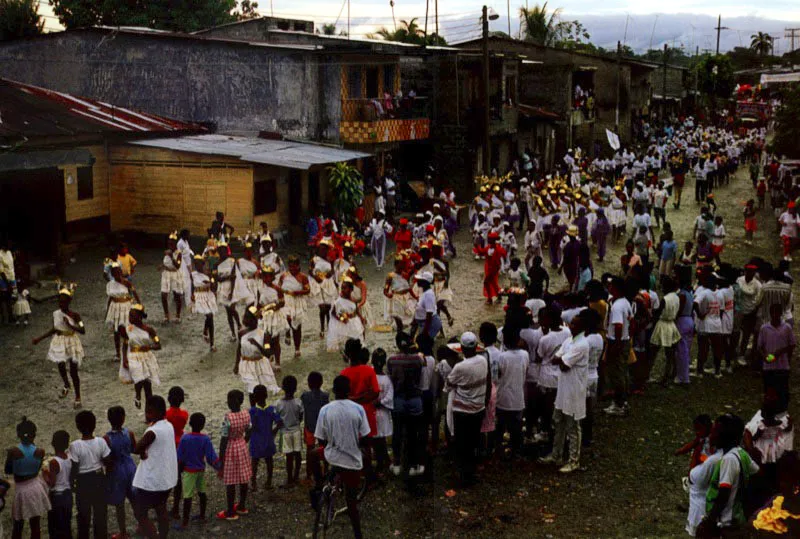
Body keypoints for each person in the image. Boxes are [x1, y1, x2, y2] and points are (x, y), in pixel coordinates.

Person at [309, 375, 371, 539]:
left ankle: (319, 483)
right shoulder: (358, 409)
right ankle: (358, 534)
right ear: (349, 390)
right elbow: (365, 437)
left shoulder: (326, 410)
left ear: (334, 391)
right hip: (352, 461)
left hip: (331, 456)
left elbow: (320, 438)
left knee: (312, 454)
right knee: (351, 502)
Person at [539, 309, 590, 473]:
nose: (571, 325)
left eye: (575, 324)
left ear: (582, 327)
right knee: (559, 423)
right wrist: (561, 359)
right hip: (563, 389)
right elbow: (556, 359)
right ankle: (556, 455)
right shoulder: (569, 340)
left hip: (574, 390)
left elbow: (563, 363)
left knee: (573, 427)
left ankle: (574, 460)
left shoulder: (582, 344)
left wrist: (561, 359)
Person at [696, 414, 759, 536]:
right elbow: (757, 473)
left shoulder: (728, 460)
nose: (711, 435)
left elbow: (723, 495)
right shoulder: (741, 453)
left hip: (725, 523)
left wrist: (709, 521)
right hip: (737, 519)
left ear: (724, 436)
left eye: (714, 432)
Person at [446, 332, 489, 486]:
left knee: (462, 443)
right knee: (473, 441)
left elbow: (449, 384)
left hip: (463, 411)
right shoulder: (483, 361)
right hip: (478, 407)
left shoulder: (460, 366)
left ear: (462, 348)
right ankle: (471, 472)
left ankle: (464, 476)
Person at [32, 286, 85, 407]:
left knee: (73, 371)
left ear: (69, 302)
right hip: (59, 342)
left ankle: (78, 396)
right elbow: (54, 329)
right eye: (59, 302)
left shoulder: (75, 315)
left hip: (72, 342)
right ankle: (66, 384)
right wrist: (39, 338)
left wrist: (71, 325)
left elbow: (82, 330)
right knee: (60, 364)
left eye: (63, 302)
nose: (61, 304)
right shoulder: (56, 314)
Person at [4, 417, 49, 539]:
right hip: (35, 487)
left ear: (18, 434)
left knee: (18, 524)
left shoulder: (13, 451)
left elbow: (7, 470)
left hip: (21, 490)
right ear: (34, 435)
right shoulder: (40, 451)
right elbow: (38, 468)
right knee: (35, 524)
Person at [387, 332, 425, 477]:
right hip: (415, 399)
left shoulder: (391, 360)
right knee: (414, 432)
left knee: (397, 431)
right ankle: (414, 465)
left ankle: (397, 463)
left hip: (399, 399)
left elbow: (391, 378)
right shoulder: (418, 359)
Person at [70, 410, 111, 539]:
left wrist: (72, 483)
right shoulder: (100, 442)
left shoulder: (75, 445)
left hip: (83, 482)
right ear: (94, 425)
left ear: (78, 427)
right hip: (99, 478)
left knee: (83, 514)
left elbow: (74, 468)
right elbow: (108, 461)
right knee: (100, 513)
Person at [176, 412, 219, 529]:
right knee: (202, 492)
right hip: (200, 469)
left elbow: (179, 456)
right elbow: (211, 457)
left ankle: (185, 522)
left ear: (190, 423)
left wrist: (178, 469)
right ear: (203, 425)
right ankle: (202, 515)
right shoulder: (205, 439)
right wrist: (219, 468)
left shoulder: (185, 438)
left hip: (189, 471)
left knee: (187, 496)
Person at [118, 304, 162, 410]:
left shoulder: (149, 330)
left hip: (147, 357)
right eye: (129, 316)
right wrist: (124, 359)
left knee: (148, 385)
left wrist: (149, 346)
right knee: (139, 378)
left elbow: (158, 345)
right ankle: (137, 395)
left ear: (139, 316)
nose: (130, 318)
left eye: (132, 316)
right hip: (133, 356)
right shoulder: (128, 330)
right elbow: (125, 344)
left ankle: (149, 413)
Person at [494, 325, 528, 459]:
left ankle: (498, 448)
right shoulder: (525, 354)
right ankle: (516, 450)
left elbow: (498, 375)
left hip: (503, 396)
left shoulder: (502, 357)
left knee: (501, 423)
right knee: (517, 426)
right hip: (519, 396)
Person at [217, 390, 251, 521]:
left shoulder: (228, 418)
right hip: (242, 446)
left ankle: (230, 511)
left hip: (231, 448)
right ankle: (242, 506)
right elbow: (250, 429)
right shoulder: (246, 414)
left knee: (230, 480)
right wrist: (244, 440)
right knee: (244, 477)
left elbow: (224, 438)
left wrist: (221, 458)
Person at [103, 406, 137, 539]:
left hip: (116, 471)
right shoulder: (130, 433)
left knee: (119, 504)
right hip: (130, 467)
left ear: (109, 420)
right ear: (123, 418)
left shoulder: (106, 438)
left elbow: (107, 458)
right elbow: (134, 448)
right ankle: (142, 524)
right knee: (135, 499)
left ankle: (123, 532)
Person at [757, 303, 795, 413]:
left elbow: (792, 344)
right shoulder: (764, 328)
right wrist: (764, 356)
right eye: (772, 313)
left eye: (777, 313)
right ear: (770, 314)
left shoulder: (786, 327)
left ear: (780, 314)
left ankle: (783, 411)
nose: (774, 315)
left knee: (783, 391)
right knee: (769, 390)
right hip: (768, 367)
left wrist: (781, 352)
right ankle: (770, 411)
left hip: (782, 366)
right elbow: (759, 347)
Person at [234, 307, 280, 397]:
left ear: (255, 320)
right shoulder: (241, 333)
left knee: (260, 389)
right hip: (247, 364)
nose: (246, 321)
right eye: (245, 318)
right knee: (251, 389)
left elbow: (268, 353)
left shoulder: (264, 335)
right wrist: (236, 365)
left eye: (249, 319)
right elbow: (239, 349)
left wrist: (257, 344)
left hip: (260, 364)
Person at [605, 277, 633, 416]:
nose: (609, 288)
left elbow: (618, 325)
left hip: (617, 341)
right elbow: (631, 321)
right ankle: (623, 401)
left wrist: (616, 344)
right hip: (625, 340)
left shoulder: (617, 306)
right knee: (622, 371)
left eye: (611, 286)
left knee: (616, 373)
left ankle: (619, 404)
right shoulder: (625, 302)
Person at [650, 276, 681, 385]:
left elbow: (657, 313)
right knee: (671, 354)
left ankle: (650, 374)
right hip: (672, 324)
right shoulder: (676, 297)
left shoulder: (665, 299)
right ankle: (670, 376)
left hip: (662, 324)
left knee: (654, 351)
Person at [247, 385, 279, 492]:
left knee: (254, 462)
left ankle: (253, 483)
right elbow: (279, 422)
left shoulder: (252, 411)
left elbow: (250, 427)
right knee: (269, 460)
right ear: (266, 395)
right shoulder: (271, 409)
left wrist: (246, 438)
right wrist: (274, 431)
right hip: (268, 440)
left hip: (256, 441)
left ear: (254, 398)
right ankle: (269, 481)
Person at [279, 255, 311, 358]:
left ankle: (297, 348)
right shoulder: (283, 276)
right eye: (290, 266)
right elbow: (279, 288)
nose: (292, 269)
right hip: (286, 300)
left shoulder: (303, 277)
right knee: (287, 317)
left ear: (298, 266)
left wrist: (297, 292)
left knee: (297, 327)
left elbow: (308, 290)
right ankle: (287, 332)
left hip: (297, 301)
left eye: (294, 266)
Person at [106, 262, 138, 361]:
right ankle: (118, 353)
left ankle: (130, 348)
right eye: (114, 272)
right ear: (112, 273)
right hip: (115, 308)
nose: (116, 274)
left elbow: (134, 292)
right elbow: (110, 298)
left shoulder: (126, 282)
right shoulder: (110, 284)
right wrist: (107, 311)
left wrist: (139, 306)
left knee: (126, 329)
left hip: (125, 307)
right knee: (116, 331)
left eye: (118, 272)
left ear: (120, 272)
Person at [301, 372, 329, 482]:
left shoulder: (305, 396)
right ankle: (326, 469)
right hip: (322, 427)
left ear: (308, 383)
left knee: (309, 449)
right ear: (321, 383)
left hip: (309, 427)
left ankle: (309, 473)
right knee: (324, 447)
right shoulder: (325, 396)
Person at [276, 376, 304, 486]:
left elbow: (278, 419)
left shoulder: (278, 403)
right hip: (296, 430)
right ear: (295, 388)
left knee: (289, 457)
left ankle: (289, 478)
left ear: (283, 387)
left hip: (285, 432)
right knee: (298, 454)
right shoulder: (298, 402)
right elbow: (301, 416)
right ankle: (296, 476)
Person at [43, 430, 72, 539]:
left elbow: (52, 483)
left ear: (53, 443)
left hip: (57, 497)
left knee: (55, 527)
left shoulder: (54, 462)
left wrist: (45, 474)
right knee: (66, 525)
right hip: (68, 495)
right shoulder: (69, 458)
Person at [327, 278, 366, 352]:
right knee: (346, 342)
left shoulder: (353, 300)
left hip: (354, 322)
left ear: (351, 289)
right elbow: (333, 313)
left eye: (345, 288)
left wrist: (361, 318)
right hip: (344, 324)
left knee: (358, 338)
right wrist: (341, 318)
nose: (342, 290)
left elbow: (356, 310)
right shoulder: (338, 301)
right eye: (342, 288)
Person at [371, 349, 393, 473]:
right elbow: (389, 397)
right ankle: (384, 461)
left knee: (375, 440)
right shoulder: (387, 379)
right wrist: (381, 402)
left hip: (372, 412)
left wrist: (374, 402)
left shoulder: (370, 376)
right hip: (383, 413)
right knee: (381, 440)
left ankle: (381, 462)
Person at [190, 256, 218, 352]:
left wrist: (210, 281)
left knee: (210, 317)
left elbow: (214, 287)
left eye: (199, 264)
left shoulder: (208, 274)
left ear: (202, 264)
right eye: (195, 264)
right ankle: (207, 334)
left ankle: (211, 341)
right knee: (209, 316)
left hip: (208, 295)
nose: (197, 266)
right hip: (199, 296)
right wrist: (191, 294)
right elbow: (191, 285)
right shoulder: (193, 274)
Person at [160, 231, 184, 323]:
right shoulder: (166, 251)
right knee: (163, 295)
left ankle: (177, 315)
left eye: (172, 242)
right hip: (166, 274)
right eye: (169, 242)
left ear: (175, 243)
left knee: (177, 295)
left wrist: (171, 256)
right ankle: (166, 315)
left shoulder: (178, 253)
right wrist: (162, 266)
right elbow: (166, 263)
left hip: (175, 274)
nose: (170, 244)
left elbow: (177, 266)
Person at [411, 272, 442, 339]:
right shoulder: (424, 293)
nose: (417, 281)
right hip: (423, 323)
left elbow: (429, 314)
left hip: (430, 324)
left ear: (425, 282)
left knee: (424, 344)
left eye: (420, 280)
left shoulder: (429, 295)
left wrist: (425, 332)